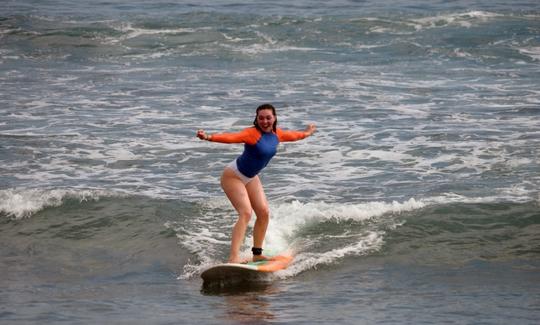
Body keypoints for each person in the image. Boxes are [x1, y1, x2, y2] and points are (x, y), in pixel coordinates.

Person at [197, 104, 316, 263]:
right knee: (245, 213)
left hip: (251, 177)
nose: (264, 121)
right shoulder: (251, 133)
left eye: (268, 118)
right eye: (261, 118)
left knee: (264, 213)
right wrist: (208, 137)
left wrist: (308, 132)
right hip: (234, 176)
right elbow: (231, 138)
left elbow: (296, 136)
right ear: (256, 119)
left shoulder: (277, 134)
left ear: (274, 118)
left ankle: (257, 253)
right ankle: (233, 258)